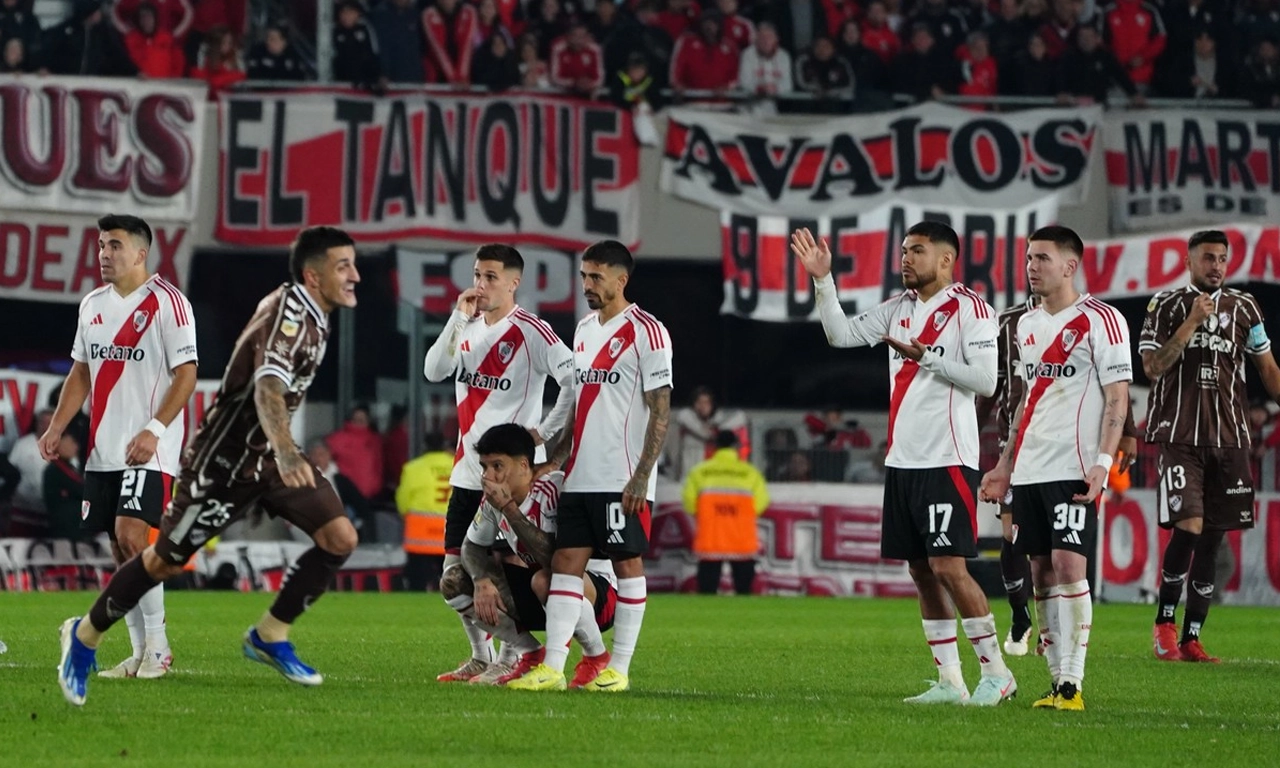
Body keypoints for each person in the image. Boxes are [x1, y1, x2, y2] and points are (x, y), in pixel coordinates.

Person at [54, 226, 362, 707]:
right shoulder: (290, 316)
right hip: (225, 464)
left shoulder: (313, 314)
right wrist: (285, 449)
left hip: (267, 458)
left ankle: (269, 634)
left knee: (340, 538)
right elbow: (267, 387)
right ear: (313, 275)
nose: (355, 275)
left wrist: (279, 453)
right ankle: (86, 637)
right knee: (159, 560)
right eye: (343, 266)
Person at [791, 222, 1015, 707]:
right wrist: (823, 280)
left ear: (947, 259)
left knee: (950, 568)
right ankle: (949, 681)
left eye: (917, 251)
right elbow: (840, 334)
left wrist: (928, 357)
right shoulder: (899, 308)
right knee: (920, 570)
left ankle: (997, 673)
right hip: (903, 460)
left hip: (947, 458)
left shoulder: (971, 310)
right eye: (904, 251)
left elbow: (985, 381)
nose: (906, 259)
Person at [507, 240, 673, 693]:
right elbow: (579, 405)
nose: (587, 285)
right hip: (579, 475)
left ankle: (619, 669)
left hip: (622, 476)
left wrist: (642, 475)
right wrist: (553, 461)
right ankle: (554, 669)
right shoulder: (581, 330)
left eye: (596, 277)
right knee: (564, 564)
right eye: (583, 276)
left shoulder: (648, 332)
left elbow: (660, 410)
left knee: (627, 563)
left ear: (622, 280)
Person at [980, 225, 1133, 712]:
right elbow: (1025, 401)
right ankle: (1054, 685)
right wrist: (1004, 465)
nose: (1031, 266)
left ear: (1070, 265)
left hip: (1074, 465)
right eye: (1028, 257)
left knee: (1069, 566)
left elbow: (1117, 397)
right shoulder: (1025, 326)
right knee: (1041, 571)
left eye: (1042, 258)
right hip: (1029, 469)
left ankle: (1072, 683)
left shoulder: (1102, 320)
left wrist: (1103, 464)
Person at [39, 214, 198, 682]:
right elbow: (81, 373)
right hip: (104, 448)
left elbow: (186, 375)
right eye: (101, 245)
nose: (104, 253)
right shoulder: (92, 304)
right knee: (119, 548)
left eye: (114, 245)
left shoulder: (170, 304)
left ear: (141, 253)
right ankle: (137, 652)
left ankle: (161, 650)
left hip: (152, 446)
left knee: (133, 536)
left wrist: (153, 430)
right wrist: (58, 426)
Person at [423, 243, 575, 683]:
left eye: (491, 277)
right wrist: (456, 317)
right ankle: (481, 655)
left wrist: (544, 433)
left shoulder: (533, 331)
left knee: (504, 571)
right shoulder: (466, 327)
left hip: (512, 482)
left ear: (514, 282)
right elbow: (434, 371)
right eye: (476, 275)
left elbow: (573, 379)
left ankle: (514, 656)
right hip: (467, 473)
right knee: (455, 574)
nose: (481, 284)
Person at [1139, 230, 1280, 663]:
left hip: (1231, 436)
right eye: (1207, 258)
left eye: (1222, 259)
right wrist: (1191, 323)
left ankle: (1192, 635)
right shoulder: (1164, 305)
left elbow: (1268, 368)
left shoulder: (1245, 308)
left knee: (1214, 536)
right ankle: (1164, 623)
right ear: (1188, 261)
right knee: (1190, 526)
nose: (1216, 266)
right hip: (1180, 435)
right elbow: (1152, 366)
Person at [442, 424, 616, 687]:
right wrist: (481, 580)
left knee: (545, 580)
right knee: (453, 580)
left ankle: (596, 657)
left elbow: (560, 562)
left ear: (524, 466)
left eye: (497, 466)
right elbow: (471, 547)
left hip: (596, 595)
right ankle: (531, 654)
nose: (488, 476)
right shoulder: (492, 501)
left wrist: (510, 510)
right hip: (544, 591)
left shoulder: (555, 490)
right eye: (484, 467)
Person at [681, 430, 769, 595]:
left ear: (715, 447)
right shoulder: (751, 473)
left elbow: (689, 503)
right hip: (741, 538)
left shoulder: (699, 472)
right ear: (736, 446)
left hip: (711, 537)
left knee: (707, 594)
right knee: (744, 593)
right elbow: (761, 503)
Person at [395, 432, 454, 591]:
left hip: (420, 536)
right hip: (450, 534)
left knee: (417, 582)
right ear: (444, 446)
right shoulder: (457, 466)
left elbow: (403, 500)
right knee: (453, 583)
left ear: (424, 446)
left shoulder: (413, 468)